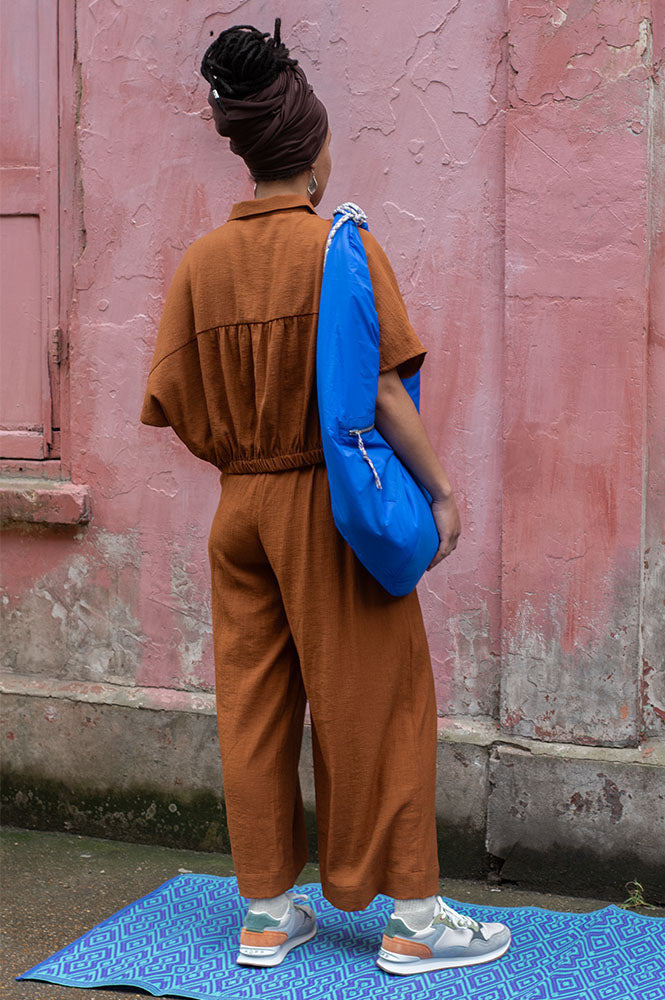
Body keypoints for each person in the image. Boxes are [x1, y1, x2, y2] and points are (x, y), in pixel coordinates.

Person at [140, 19, 511, 977]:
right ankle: (415, 921)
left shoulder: (199, 264)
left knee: (254, 702)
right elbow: (384, 391)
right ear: (312, 148)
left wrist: (245, 457)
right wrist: (440, 493)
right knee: (379, 697)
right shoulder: (337, 245)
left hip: (240, 511)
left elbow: (171, 397)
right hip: (324, 507)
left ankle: (266, 914)